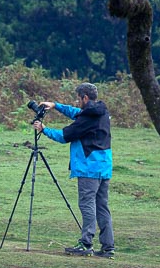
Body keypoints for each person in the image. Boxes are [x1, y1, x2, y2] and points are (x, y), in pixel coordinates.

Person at [32, 83, 114, 258]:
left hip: (88, 167)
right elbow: (76, 113)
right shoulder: (100, 111)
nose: (78, 102)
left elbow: (65, 136)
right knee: (102, 206)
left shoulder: (87, 118)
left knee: (87, 204)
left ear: (85, 97)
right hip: (103, 166)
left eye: (79, 98)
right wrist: (55, 105)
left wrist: (44, 129)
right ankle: (108, 248)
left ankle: (86, 244)